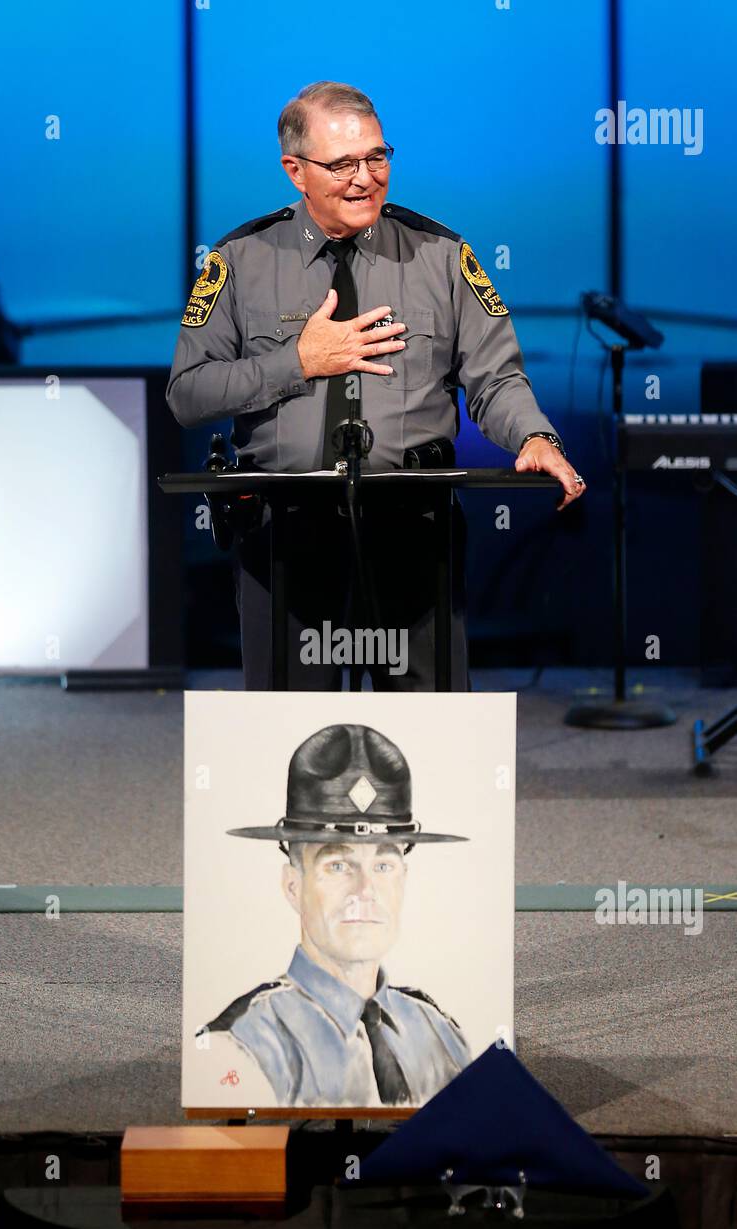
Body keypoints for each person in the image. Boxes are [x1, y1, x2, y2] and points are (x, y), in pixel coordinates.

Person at [167, 82, 586, 690]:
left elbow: (495, 377)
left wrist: (535, 435)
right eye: (341, 164)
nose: (365, 177)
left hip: (415, 526)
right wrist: (300, 361)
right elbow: (189, 395)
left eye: (377, 157)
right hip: (285, 530)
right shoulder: (238, 261)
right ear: (295, 171)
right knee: (290, 741)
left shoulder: (442, 255)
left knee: (427, 739)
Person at [197, 723, 472, 1107]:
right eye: (339, 866)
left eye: (383, 866)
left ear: (403, 880)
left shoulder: (440, 1031)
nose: (365, 891)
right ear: (294, 886)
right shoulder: (244, 1040)